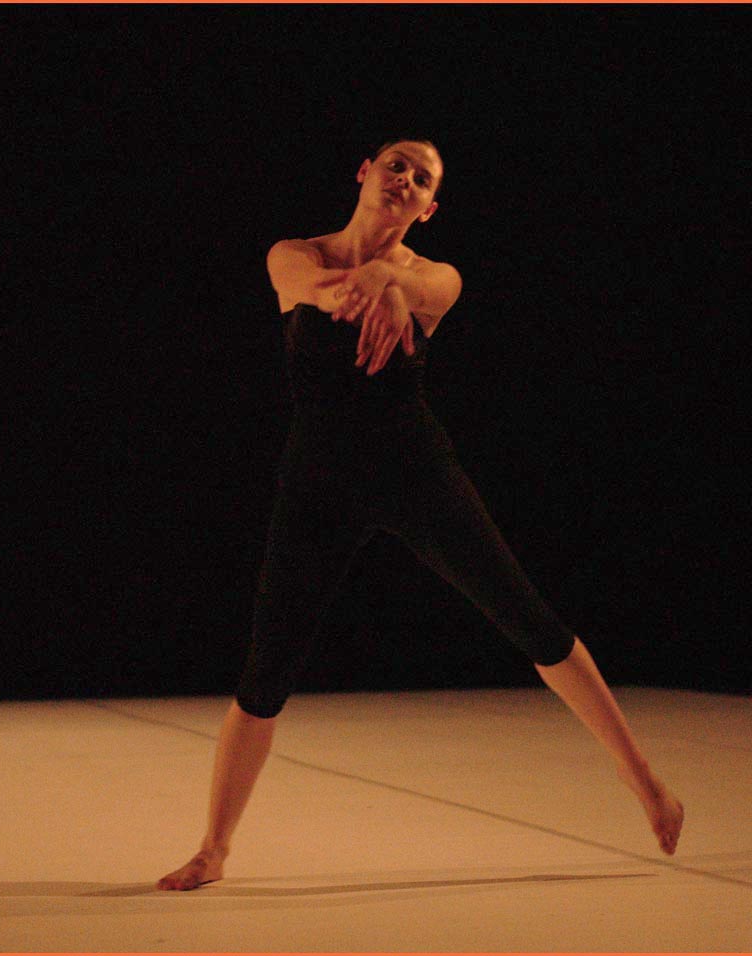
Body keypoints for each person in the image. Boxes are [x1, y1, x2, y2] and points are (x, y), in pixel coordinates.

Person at [157, 138, 683, 891]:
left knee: (530, 621)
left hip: (415, 470)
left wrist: (389, 279)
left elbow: (427, 288)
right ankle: (213, 848)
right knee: (265, 670)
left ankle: (644, 780)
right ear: (364, 172)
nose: (405, 179)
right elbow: (317, 291)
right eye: (396, 164)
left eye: (422, 178)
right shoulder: (293, 255)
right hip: (317, 480)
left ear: (429, 208)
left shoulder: (438, 277)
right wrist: (370, 285)